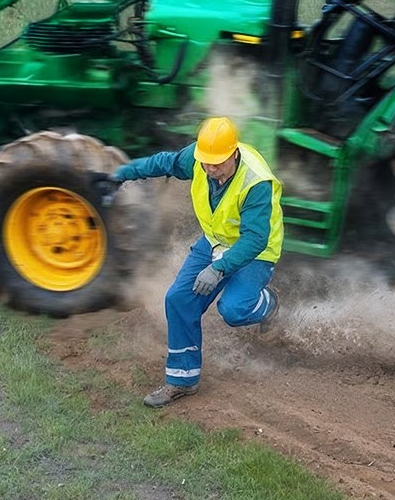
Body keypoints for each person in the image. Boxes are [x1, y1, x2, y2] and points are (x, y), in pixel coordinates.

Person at [113, 117, 283, 408]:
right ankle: (182, 380)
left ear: (234, 153)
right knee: (179, 298)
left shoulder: (256, 182)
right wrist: (125, 172)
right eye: (205, 162)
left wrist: (217, 268)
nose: (209, 169)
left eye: (217, 163)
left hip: (256, 250)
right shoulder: (201, 157)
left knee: (234, 310)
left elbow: (255, 238)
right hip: (216, 241)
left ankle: (269, 303)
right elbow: (164, 162)